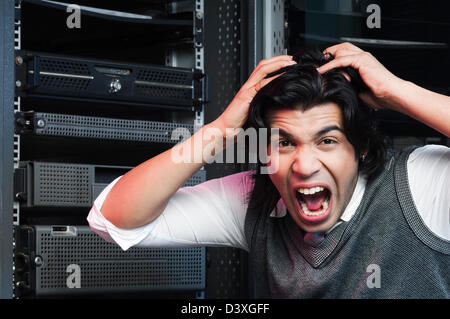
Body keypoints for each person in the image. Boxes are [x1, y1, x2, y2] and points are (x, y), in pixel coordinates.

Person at [87, 42, 450, 298]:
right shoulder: (256, 201)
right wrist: (223, 129)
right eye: (285, 143)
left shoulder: (419, 183)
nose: (305, 167)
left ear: (362, 148)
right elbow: (113, 218)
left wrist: (396, 91)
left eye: (327, 141)